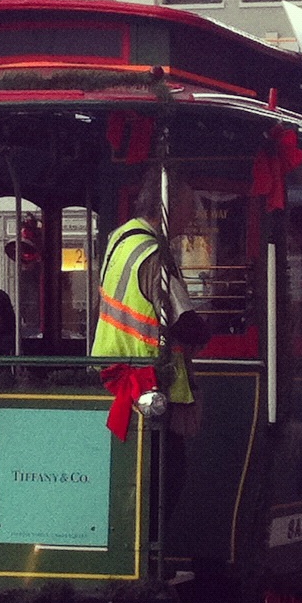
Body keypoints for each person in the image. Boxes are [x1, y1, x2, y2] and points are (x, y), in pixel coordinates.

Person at [92, 171, 210, 426]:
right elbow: (184, 323)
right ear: (167, 207)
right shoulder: (154, 255)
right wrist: (207, 330)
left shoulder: (119, 238)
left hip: (113, 370)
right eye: (189, 208)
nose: (190, 217)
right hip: (154, 384)